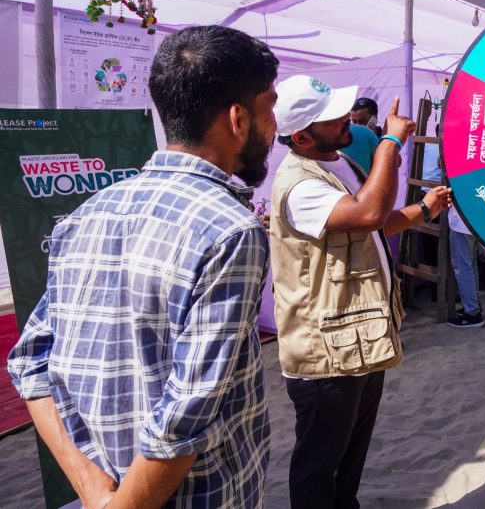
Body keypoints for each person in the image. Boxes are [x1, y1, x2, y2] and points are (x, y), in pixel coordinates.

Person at [8, 25, 280, 507]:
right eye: (269, 107)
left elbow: (31, 362)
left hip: (104, 490)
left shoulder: (86, 214)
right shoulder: (230, 230)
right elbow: (186, 414)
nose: (274, 125)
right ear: (238, 119)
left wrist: (92, 488)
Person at [269, 75, 450, 509]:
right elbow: (367, 214)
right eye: (333, 118)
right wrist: (390, 141)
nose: (347, 119)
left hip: (356, 338)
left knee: (349, 457)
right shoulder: (300, 185)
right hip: (324, 351)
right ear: (301, 137)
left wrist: (421, 210)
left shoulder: (338, 163)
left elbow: (368, 226)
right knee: (319, 465)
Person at [446, 206, 485, 328]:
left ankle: (473, 313)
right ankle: (474, 305)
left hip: (462, 223)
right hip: (476, 221)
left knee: (463, 267)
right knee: (470, 264)